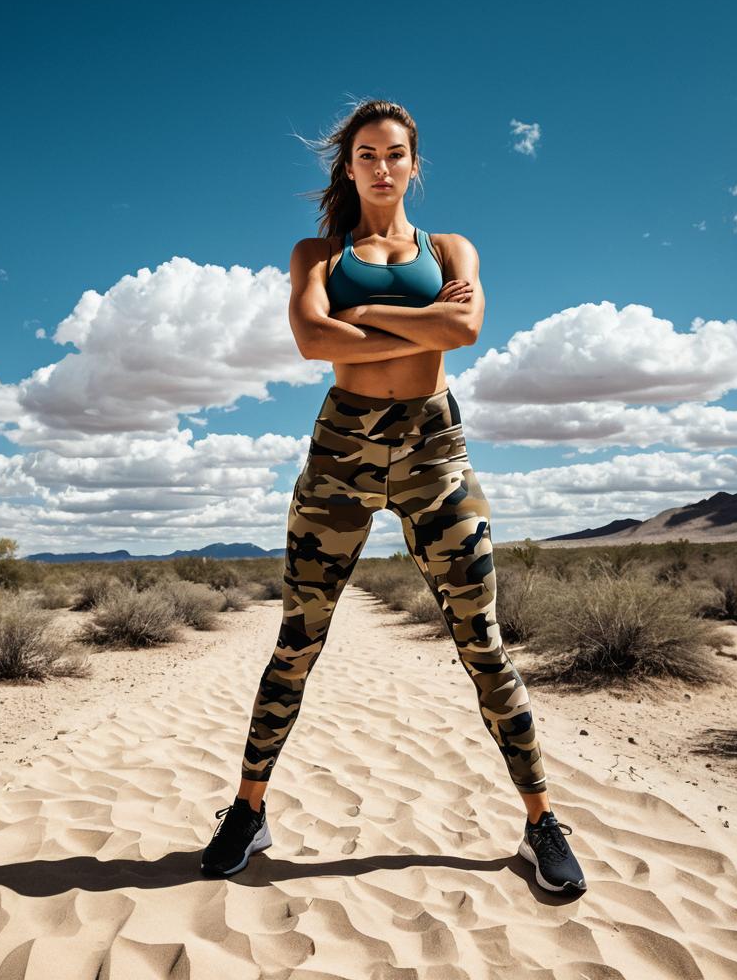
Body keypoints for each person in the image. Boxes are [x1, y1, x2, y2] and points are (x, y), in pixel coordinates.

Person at [201, 99, 586, 895]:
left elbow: (467, 330)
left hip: (433, 449)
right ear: (349, 167)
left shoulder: (450, 247)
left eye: (396, 153)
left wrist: (364, 313)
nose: (382, 166)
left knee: (483, 646)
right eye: (368, 154)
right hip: (340, 448)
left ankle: (542, 821)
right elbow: (311, 339)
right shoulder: (317, 250)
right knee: (296, 643)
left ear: (415, 164)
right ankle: (247, 809)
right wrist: (417, 320)